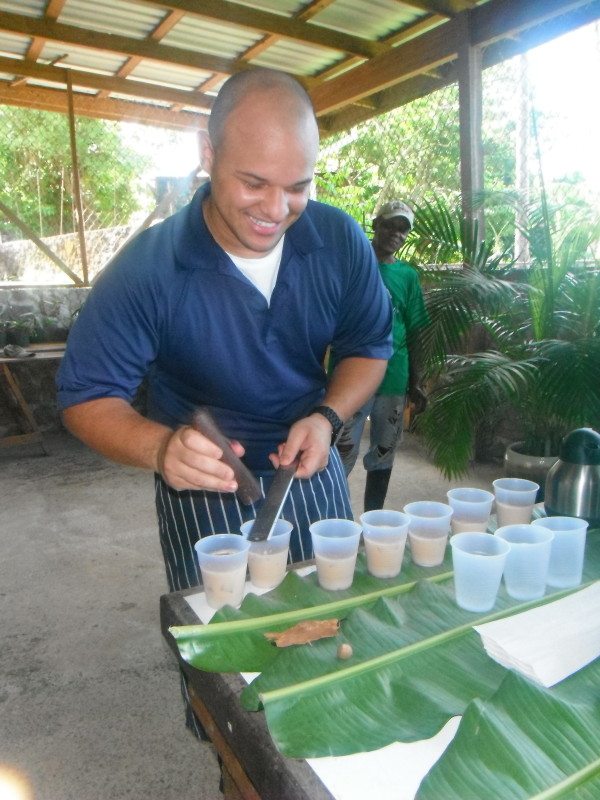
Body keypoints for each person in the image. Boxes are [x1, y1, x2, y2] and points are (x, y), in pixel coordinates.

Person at [56, 67, 392, 588]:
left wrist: (327, 417)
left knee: (333, 616)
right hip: (202, 487)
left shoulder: (338, 239)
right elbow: (86, 396)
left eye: (298, 187)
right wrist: (162, 450)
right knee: (224, 645)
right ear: (208, 154)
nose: (276, 211)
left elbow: (368, 346)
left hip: (309, 467)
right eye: (254, 183)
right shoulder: (150, 267)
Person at [336, 200, 429, 511]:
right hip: (350, 378)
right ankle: (334, 522)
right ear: (376, 225)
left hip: (394, 378)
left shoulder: (407, 276)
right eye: (390, 225)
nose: (396, 234)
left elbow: (416, 332)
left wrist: (416, 382)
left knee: (384, 451)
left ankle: (374, 522)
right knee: (340, 451)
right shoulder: (350, 265)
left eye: (403, 229)